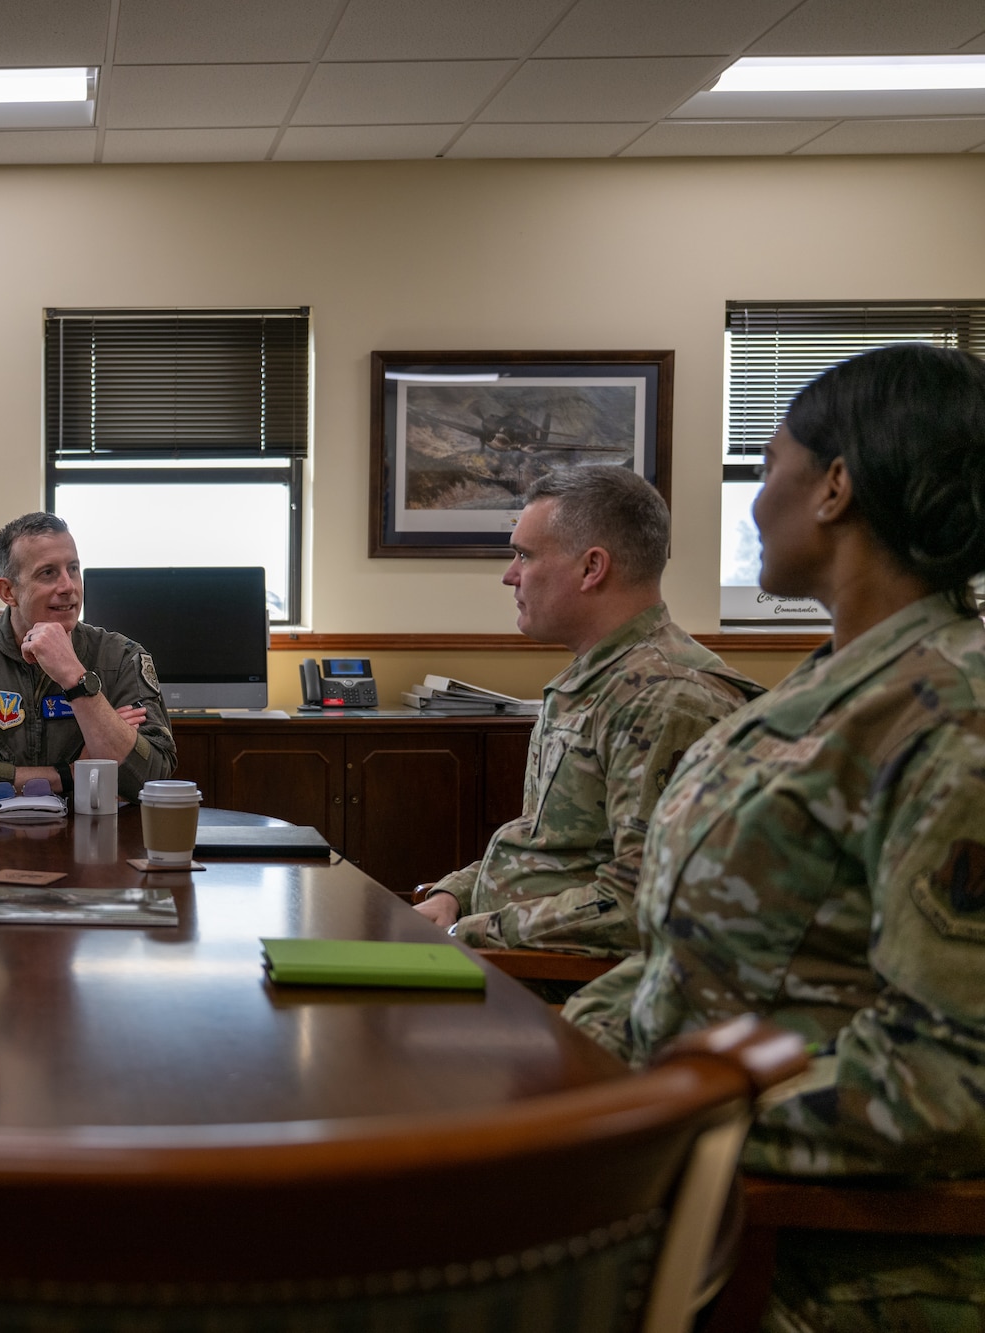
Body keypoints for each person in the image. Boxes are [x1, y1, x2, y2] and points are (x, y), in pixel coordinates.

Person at [564, 344, 985, 1332]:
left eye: (765, 468)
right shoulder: (834, 683)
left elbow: (948, 1079)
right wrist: (566, 1054)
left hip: (819, 1262)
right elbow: (682, 952)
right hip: (689, 1192)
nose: (753, 505)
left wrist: (647, 1120)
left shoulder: (952, 719)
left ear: (835, 486)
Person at [413, 467, 761, 962]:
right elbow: (548, 845)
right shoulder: (597, 678)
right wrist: (455, 894)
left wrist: (473, 932)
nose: (510, 575)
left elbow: (641, 903)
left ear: (591, 568)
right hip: (513, 956)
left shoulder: (666, 698)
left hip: (559, 982)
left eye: (525, 555)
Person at [0, 512, 175, 797]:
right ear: (8, 591)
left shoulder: (121, 657)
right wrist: (69, 776)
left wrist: (76, 678)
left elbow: (153, 777)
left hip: (92, 822)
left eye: (73, 569)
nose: (68, 586)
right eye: (48, 573)